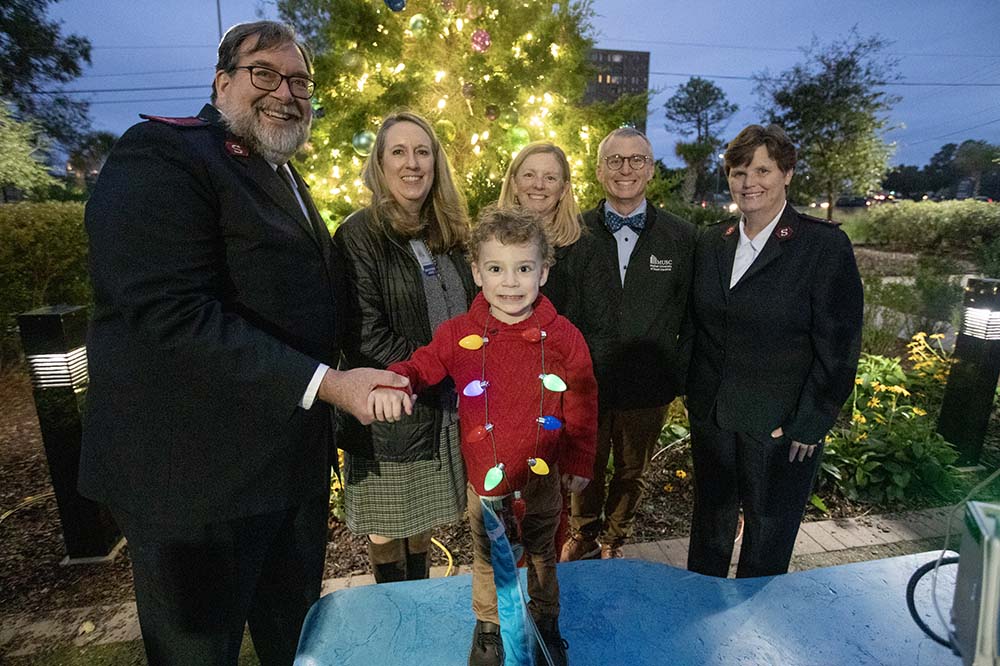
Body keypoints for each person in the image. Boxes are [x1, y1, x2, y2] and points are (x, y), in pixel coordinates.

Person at [79, 21, 408, 666]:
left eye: (301, 81)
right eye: (266, 73)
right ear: (222, 81)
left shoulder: (282, 174)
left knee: (296, 645)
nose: (287, 91)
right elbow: (167, 312)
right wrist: (330, 384)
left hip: (284, 478)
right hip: (194, 488)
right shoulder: (165, 153)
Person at [369, 206, 598, 666]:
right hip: (486, 479)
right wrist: (397, 380)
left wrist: (578, 460)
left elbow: (582, 398)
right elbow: (423, 365)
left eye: (523, 268)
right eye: (496, 269)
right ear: (476, 272)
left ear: (544, 272)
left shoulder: (563, 337)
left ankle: (545, 622)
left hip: (542, 476)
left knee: (540, 553)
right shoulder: (459, 335)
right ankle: (490, 627)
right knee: (486, 556)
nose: (510, 282)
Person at [684, 124, 863, 578]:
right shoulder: (713, 241)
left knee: (768, 538)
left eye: (762, 169)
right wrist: (694, 396)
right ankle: (697, 620)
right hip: (715, 419)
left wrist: (811, 421)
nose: (749, 182)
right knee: (709, 530)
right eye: (738, 171)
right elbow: (697, 327)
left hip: (780, 426)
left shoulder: (822, 247)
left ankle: (754, 630)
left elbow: (839, 344)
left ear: (787, 173)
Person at [334, 111, 476, 583]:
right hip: (391, 410)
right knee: (387, 527)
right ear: (379, 163)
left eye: (422, 151)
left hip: (443, 409)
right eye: (398, 151)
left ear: (436, 162)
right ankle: (392, 612)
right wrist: (441, 366)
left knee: (423, 526)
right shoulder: (359, 235)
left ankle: (417, 611)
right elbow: (364, 335)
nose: (412, 163)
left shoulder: (450, 233)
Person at [560, 127, 696, 562]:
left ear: (651, 170)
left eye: (636, 159)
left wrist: (678, 372)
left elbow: (692, 313)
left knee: (632, 471)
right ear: (600, 171)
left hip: (647, 385)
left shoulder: (681, 238)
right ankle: (583, 535)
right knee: (586, 467)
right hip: (587, 382)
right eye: (615, 160)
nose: (625, 169)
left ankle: (615, 538)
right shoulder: (573, 235)